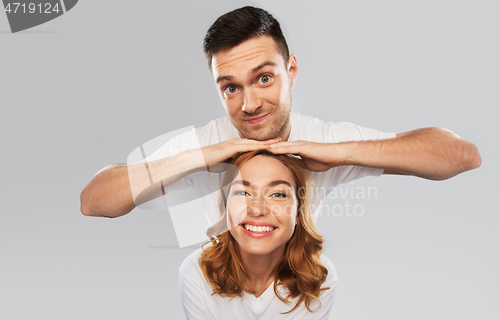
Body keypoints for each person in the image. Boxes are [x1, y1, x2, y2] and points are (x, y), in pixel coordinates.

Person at [80, 6, 481, 225]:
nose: (249, 103)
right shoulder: (204, 144)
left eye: (264, 78)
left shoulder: (324, 139)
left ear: (291, 71)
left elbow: (461, 155)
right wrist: (199, 157)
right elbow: (95, 200)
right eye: (231, 88)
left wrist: (342, 154)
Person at [179, 149, 337, 320]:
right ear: (225, 209)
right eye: (243, 192)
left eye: (278, 194)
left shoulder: (319, 277)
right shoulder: (196, 272)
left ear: (298, 212)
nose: (257, 209)